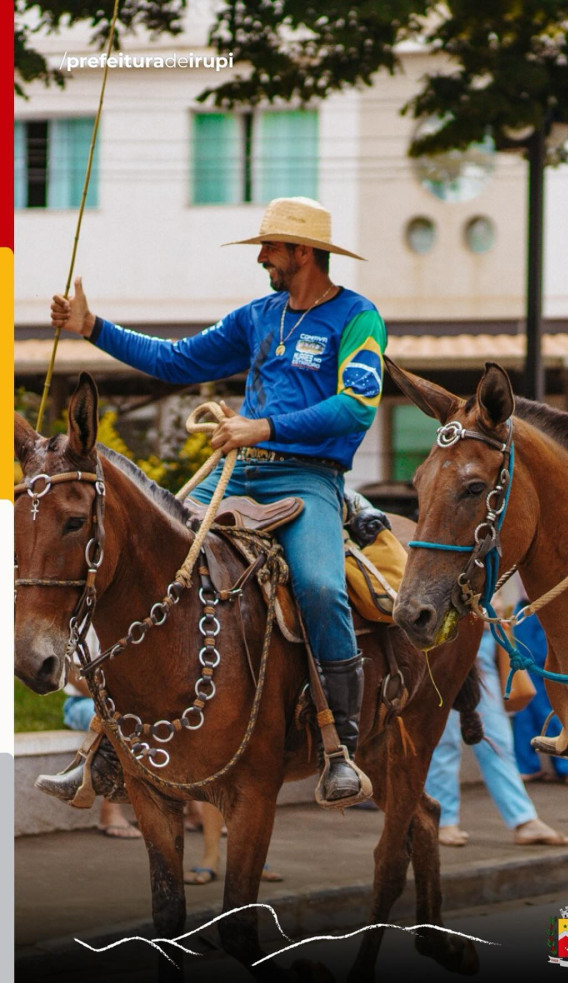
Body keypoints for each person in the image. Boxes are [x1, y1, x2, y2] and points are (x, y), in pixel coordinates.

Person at [40, 196, 386, 807]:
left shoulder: (358, 317)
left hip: (307, 479)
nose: (261, 258)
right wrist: (92, 328)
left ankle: (341, 750)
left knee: (321, 587)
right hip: (237, 471)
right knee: (148, 554)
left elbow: (356, 406)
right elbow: (177, 361)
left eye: (270, 248)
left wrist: (263, 426)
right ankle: (102, 746)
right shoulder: (258, 316)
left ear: (303, 252)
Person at [424, 626, 568, 847]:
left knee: (497, 742)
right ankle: (443, 820)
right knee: (444, 741)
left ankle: (523, 818)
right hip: (440, 642)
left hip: (481, 644)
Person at [62, 669, 142, 839]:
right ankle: (110, 810)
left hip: (123, 704)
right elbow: (72, 672)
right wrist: (110, 701)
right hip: (83, 702)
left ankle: (193, 808)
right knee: (114, 722)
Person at [509, 606, 568, 787]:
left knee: (529, 706)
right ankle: (566, 766)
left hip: (533, 612)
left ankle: (527, 766)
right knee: (543, 699)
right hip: (534, 611)